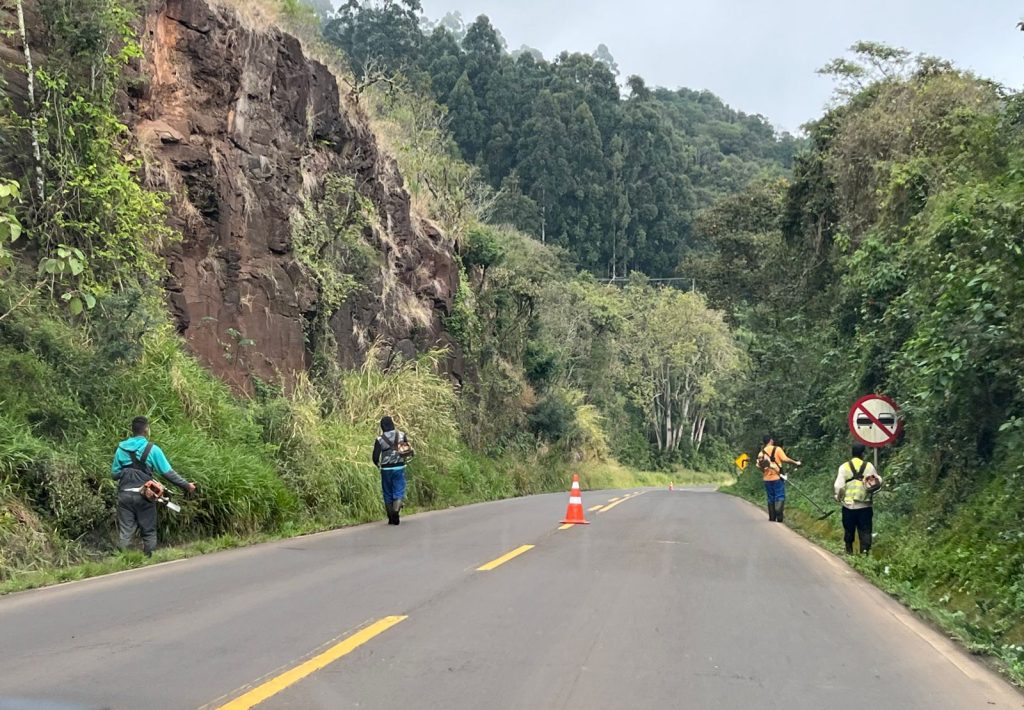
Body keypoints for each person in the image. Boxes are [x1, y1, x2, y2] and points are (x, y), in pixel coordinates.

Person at [111, 416, 195, 556]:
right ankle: (149, 559)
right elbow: (168, 473)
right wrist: (187, 486)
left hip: (124, 495)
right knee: (148, 531)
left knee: (125, 533)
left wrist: (128, 471)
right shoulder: (152, 449)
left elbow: (114, 475)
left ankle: (122, 561)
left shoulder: (121, 449)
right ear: (146, 430)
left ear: (132, 430)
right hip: (145, 496)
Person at [834, 443, 882, 555]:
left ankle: (849, 551)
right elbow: (878, 481)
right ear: (863, 454)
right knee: (865, 530)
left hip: (848, 506)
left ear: (852, 453)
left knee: (849, 529)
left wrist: (838, 497)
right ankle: (864, 553)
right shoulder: (869, 466)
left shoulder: (844, 467)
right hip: (865, 505)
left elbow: (839, 486)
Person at [373, 415, 409, 525]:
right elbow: (406, 451)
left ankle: (390, 517)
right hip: (399, 467)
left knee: (387, 492)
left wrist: (378, 465)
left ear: (382, 426)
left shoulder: (380, 439)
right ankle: (396, 512)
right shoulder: (401, 435)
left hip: (386, 469)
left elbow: (375, 457)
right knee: (398, 490)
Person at [756, 435, 801, 523]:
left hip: (767, 478)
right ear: (770, 441)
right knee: (779, 495)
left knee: (770, 497)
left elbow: (760, 467)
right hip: (777, 477)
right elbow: (785, 459)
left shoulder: (761, 453)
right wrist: (795, 462)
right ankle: (779, 516)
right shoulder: (777, 449)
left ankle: (772, 517)